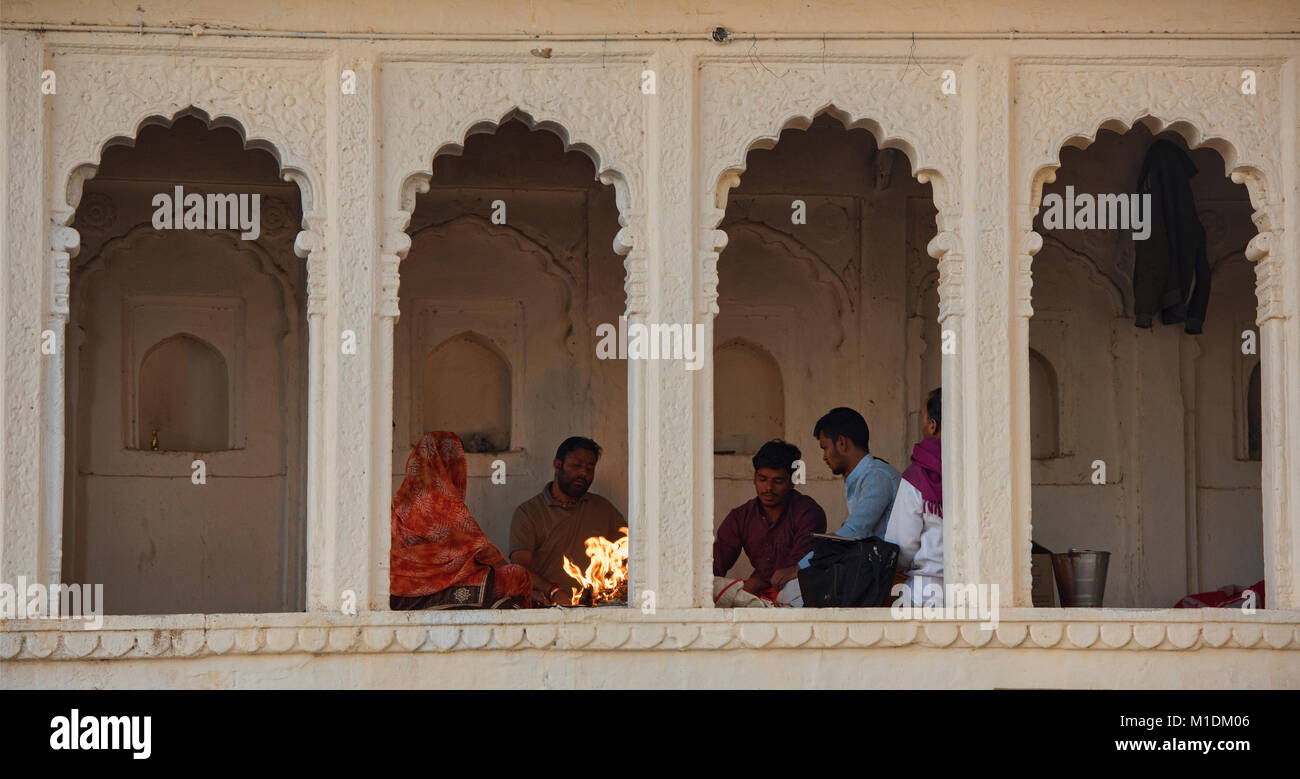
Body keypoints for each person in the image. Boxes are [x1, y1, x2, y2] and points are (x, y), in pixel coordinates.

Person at [390, 431, 531, 610]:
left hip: (399, 591)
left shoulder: (400, 502)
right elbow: (480, 549)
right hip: (442, 588)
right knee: (517, 575)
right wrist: (546, 589)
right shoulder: (441, 501)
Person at [510, 436, 626, 606]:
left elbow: (632, 551)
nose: (584, 473)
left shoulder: (603, 509)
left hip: (597, 610)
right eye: (576, 465)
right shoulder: (528, 513)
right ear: (558, 465)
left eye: (590, 467)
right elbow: (520, 569)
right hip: (546, 609)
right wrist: (554, 591)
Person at [714, 439, 827, 605]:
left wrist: (755, 583)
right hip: (757, 595)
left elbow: (795, 568)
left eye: (778, 481)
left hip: (800, 596)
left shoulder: (808, 512)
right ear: (754, 478)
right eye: (762, 479)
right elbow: (715, 564)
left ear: (792, 481)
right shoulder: (740, 517)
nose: (768, 488)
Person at [798, 407, 901, 577]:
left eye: (825, 448)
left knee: (793, 591)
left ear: (842, 443)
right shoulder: (864, 476)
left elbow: (853, 533)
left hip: (889, 574)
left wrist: (801, 566)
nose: (824, 456)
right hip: (873, 568)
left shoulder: (876, 476)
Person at [884, 388, 944, 607]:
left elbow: (901, 548)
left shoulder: (917, 476)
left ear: (932, 424)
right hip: (976, 591)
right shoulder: (981, 472)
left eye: (923, 416)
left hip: (925, 593)